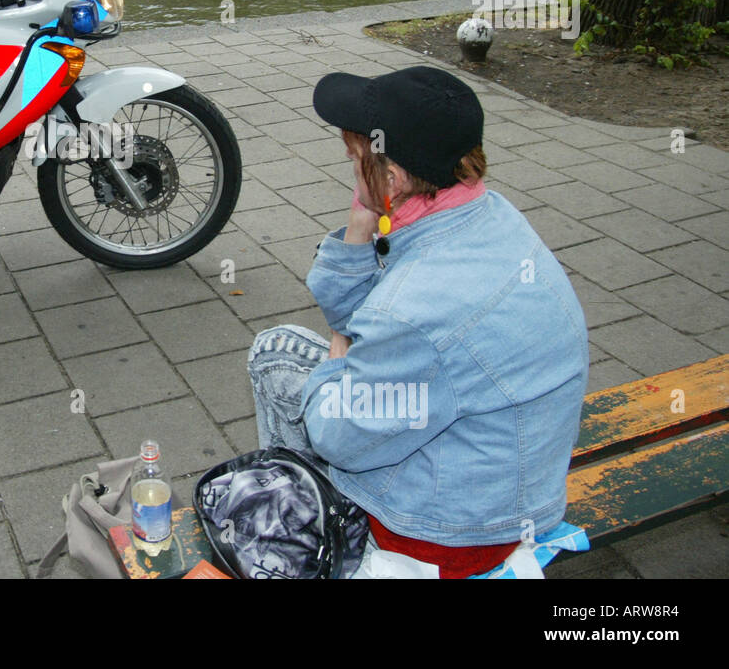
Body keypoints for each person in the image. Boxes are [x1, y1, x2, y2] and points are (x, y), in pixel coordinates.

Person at [248, 66, 588, 578]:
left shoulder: (416, 310)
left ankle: (297, 535)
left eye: (354, 158)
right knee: (298, 352)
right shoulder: (487, 215)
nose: (347, 165)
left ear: (393, 178)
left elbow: (334, 433)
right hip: (514, 484)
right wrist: (362, 224)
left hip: (449, 536)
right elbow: (357, 314)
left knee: (274, 357)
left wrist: (341, 360)